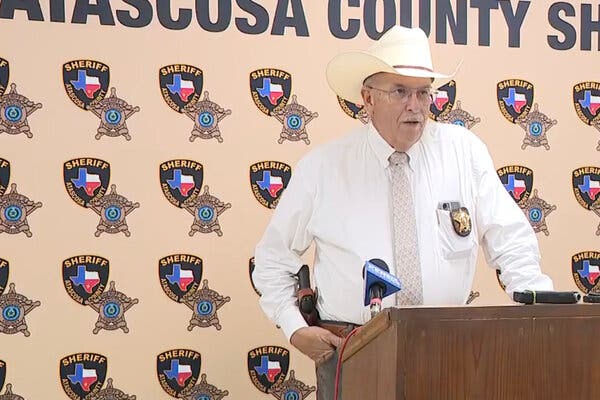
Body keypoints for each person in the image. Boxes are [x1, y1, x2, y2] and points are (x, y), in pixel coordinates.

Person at [253, 25, 554, 399]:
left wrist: (541, 307)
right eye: (400, 91)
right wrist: (293, 327)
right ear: (367, 98)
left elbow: (510, 238)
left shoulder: (463, 151)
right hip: (355, 350)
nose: (415, 105)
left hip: (451, 351)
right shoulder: (323, 168)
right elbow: (271, 258)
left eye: (423, 92)